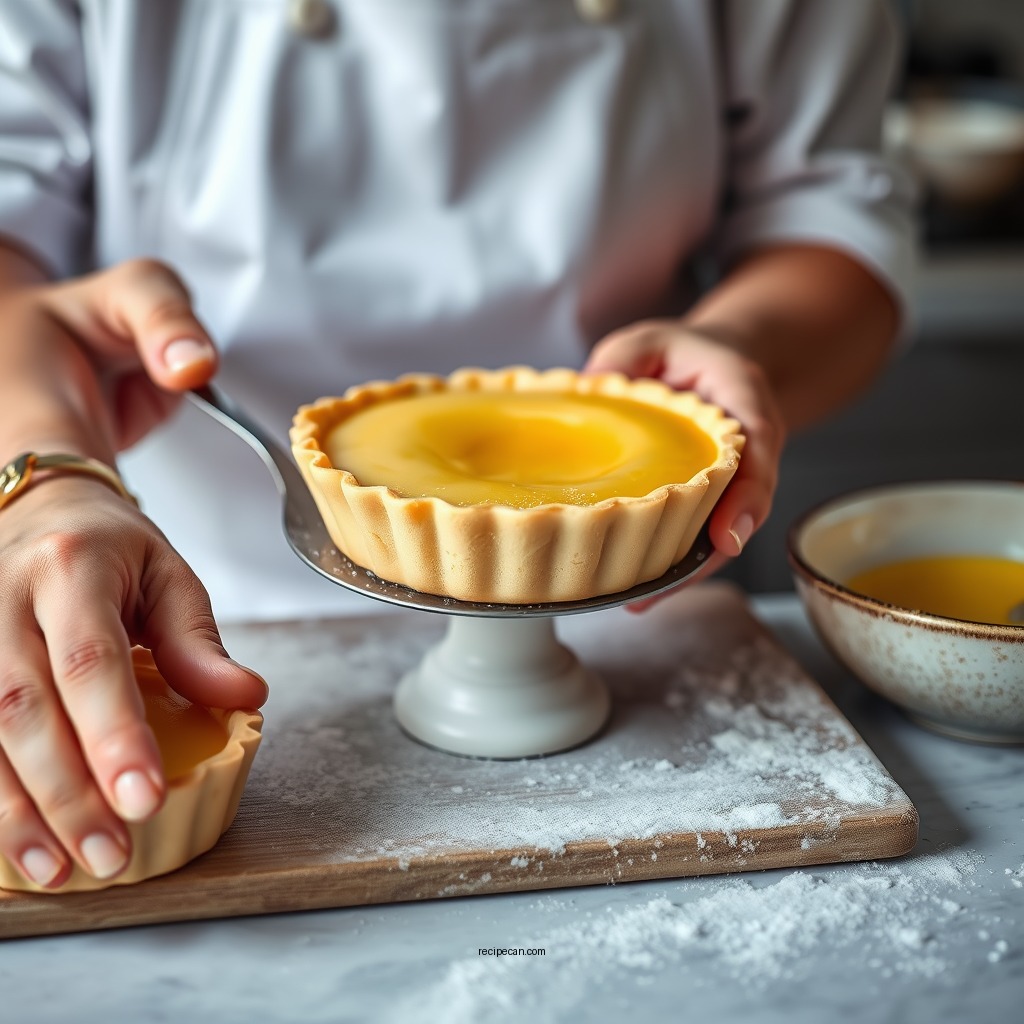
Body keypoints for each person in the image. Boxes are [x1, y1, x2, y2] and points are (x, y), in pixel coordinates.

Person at [0, 0, 913, 889]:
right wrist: (46, 470)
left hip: (647, 628)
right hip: (178, 608)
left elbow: (832, 211)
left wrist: (739, 348)